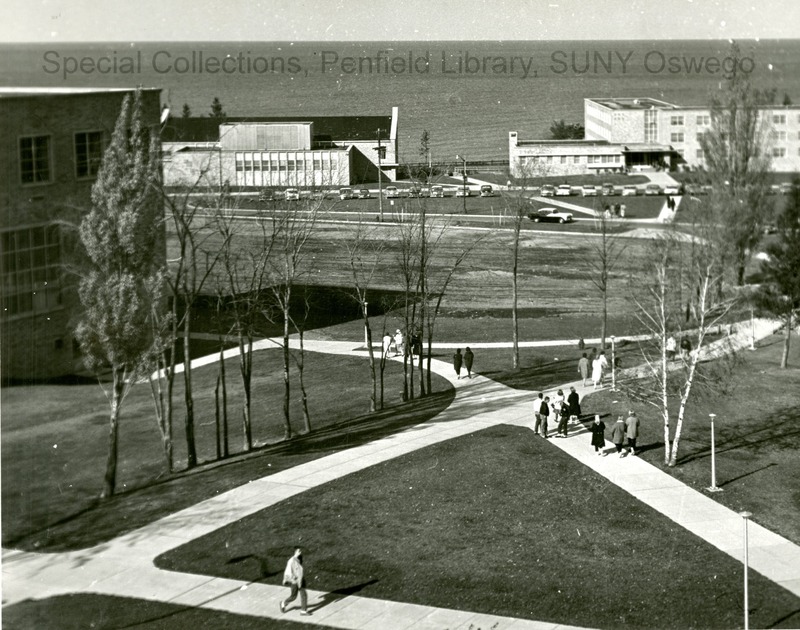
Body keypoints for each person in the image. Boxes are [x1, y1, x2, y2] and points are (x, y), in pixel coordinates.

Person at [280, 548, 310, 615]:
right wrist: (292, 579)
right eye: (299, 551)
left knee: (303, 594)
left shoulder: (298, 560)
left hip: (299, 581)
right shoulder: (291, 561)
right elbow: (288, 572)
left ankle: (303, 611)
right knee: (293, 596)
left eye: (300, 551)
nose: (300, 552)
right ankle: (283, 603)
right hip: (295, 581)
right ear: (295, 552)